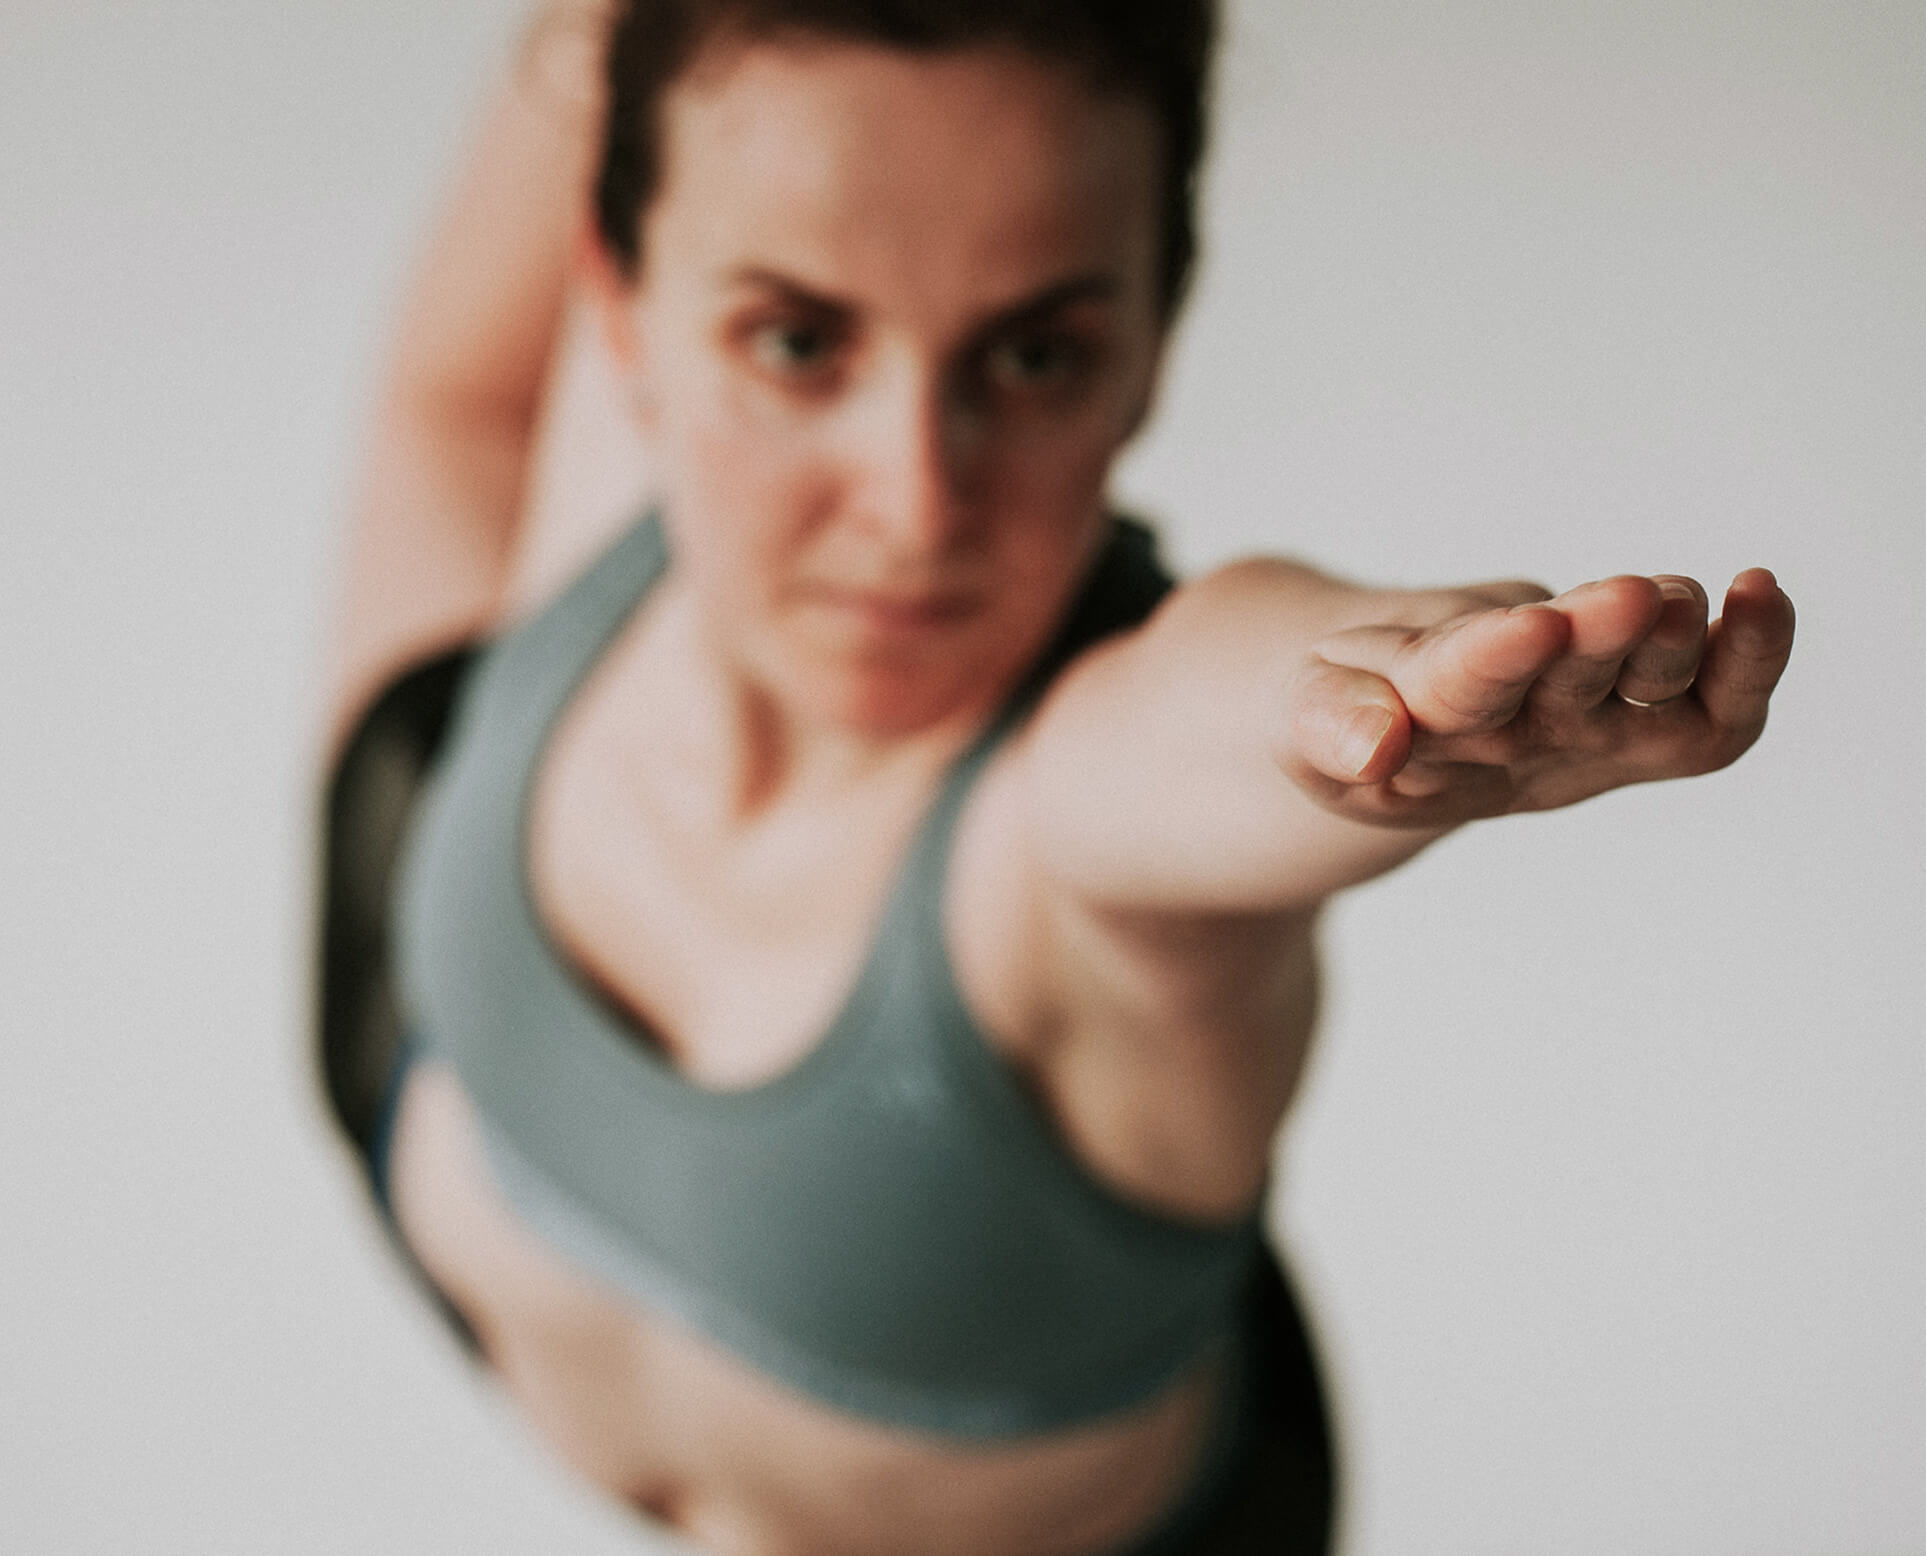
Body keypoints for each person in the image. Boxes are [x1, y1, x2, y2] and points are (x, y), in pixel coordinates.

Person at [313, 2, 1798, 1552]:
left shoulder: (1076, 813)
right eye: (800, 343)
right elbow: (454, 412)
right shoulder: (603, 496)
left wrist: (1377, 691)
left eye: (1034, 358)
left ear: (1155, 340)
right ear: (616, 301)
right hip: (409, 1019)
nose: (914, 504)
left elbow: (1215, 706)